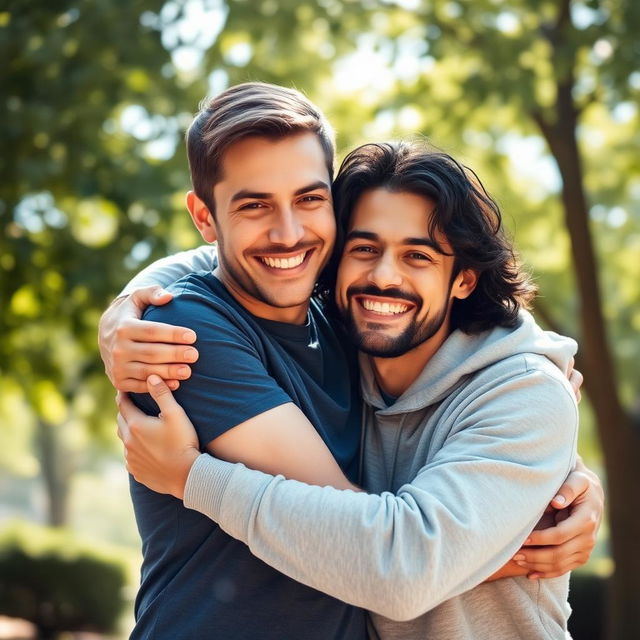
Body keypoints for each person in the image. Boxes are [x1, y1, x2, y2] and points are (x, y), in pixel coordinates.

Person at [100, 84, 602, 638]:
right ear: (206, 217)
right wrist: (127, 308)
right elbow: (391, 564)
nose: (289, 232)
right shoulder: (190, 334)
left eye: (309, 200)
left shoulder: (375, 343)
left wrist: (192, 477)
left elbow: (395, 564)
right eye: (254, 204)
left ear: (463, 279)